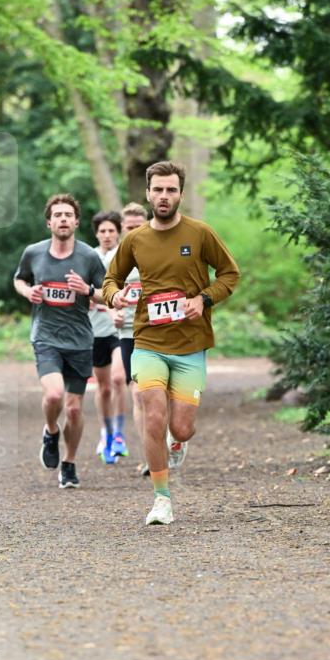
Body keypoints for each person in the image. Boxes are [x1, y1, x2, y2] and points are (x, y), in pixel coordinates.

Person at [103, 161, 240, 525]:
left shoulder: (200, 234)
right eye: (158, 190)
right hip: (148, 340)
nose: (164, 196)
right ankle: (161, 499)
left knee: (180, 427)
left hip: (191, 344)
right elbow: (110, 280)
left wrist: (203, 299)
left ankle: (179, 442)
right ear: (148, 193)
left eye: (171, 190)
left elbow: (230, 273)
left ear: (180, 193)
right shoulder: (134, 239)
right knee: (152, 417)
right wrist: (114, 295)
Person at [14, 193, 105, 488]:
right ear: (49, 222)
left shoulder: (89, 257)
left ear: (76, 221)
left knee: (76, 408)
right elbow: (20, 279)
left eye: (68, 214)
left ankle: (69, 463)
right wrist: (28, 292)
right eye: (58, 215)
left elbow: (110, 294)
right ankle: (51, 431)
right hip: (46, 337)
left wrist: (88, 290)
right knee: (54, 396)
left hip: (79, 340)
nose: (63, 219)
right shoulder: (34, 253)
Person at [111, 202, 148, 473]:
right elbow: (107, 290)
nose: (133, 231)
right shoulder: (117, 258)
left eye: (138, 227)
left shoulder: (158, 253)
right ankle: (151, 454)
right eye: (129, 228)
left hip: (159, 331)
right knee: (137, 394)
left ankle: (167, 439)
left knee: (157, 393)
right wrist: (112, 306)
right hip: (127, 334)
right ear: (122, 229)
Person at [89, 211, 128, 464]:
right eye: (102, 231)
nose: (106, 235)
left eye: (111, 231)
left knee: (117, 378)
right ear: (96, 234)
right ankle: (107, 431)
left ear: (118, 232)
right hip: (95, 330)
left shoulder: (126, 255)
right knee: (102, 388)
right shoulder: (89, 257)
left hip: (120, 328)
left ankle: (120, 434)